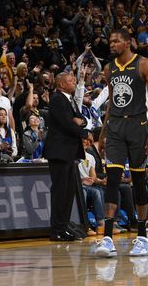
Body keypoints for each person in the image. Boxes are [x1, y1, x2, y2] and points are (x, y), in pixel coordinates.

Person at [95, 29, 148, 257]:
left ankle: (142, 236)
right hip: (115, 127)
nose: (112, 44)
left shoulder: (143, 64)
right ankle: (107, 237)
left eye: (116, 41)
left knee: (138, 179)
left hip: (139, 126)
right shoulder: (109, 69)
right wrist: (103, 134)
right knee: (112, 179)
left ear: (127, 43)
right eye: (111, 40)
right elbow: (112, 104)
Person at [43, 72, 92, 241]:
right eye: (71, 80)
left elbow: (81, 119)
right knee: (60, 192)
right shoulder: (57, 99)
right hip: (59, 152)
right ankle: (56, 229)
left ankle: (63, 227)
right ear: (62, 84)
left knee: (69, 191)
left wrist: (81, 123)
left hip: (69, 153)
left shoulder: (68, 99)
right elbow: (66, 123)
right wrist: (85, 133)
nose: (74, 82)